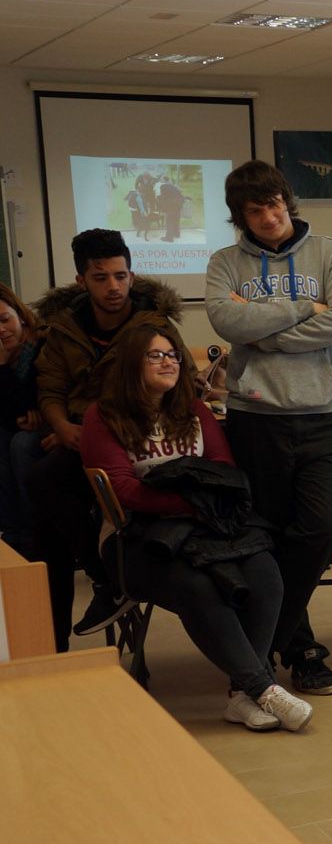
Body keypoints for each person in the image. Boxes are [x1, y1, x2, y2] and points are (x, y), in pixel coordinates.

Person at [78, 319, 309, 731]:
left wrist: (196, 503)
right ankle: (264, 688)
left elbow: (223, 469)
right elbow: (125, 490)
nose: (169, 362)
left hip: (206, 527)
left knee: (266, 575)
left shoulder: (193, 408)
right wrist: (192, 501)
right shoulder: (103, 416)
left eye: (172, 355)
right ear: (133, 362)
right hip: (137, 539)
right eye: (156, 355)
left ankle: (241, 695)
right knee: (198, 586)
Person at [205, 161, 332, 696]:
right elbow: (227, 322)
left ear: (287, 202)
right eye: (256, 210)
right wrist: (301, 308)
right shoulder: (225, 262)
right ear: (240, 216)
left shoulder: (331, 252)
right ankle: (300, 651)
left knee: (323, 529)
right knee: (267, 538)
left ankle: (261, 641)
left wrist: (266, 331)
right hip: (256, 418)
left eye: (275, 204)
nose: (270, 217)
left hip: (326, 414)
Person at [31, 228, 188, 646]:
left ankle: (108, 582)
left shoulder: (154, 325)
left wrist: (98, 436)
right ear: (81, 281)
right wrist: (63, 427)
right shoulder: (63, 329)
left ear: (132, 277)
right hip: (80, 434)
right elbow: (49, 389)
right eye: (101, 278)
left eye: (121, 276)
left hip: (138, 436)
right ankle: (74, 617)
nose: (113, 286)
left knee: (53, 485)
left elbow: (179, 384)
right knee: (45, 490)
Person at [0, 283, 44, 555]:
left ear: (22, 317)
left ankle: (34, 535)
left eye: (5, 320)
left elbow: (32, 401)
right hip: (14, 426)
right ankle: (11, 533)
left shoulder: (40, 346)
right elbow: (14, 412)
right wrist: (2, 365)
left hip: (51, 425)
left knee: (21, 444)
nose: (1, 330)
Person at [154, 172, 186, 243]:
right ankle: (176, 234)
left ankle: (169, 238)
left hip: (171, 207)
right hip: (178, 205)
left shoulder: (163, 187)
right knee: (176, 220)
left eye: (161, 179)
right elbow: (180, 195)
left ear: (163, 180)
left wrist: (161, 209)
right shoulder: (174, 186)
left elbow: (162, 198)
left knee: (170, 222)